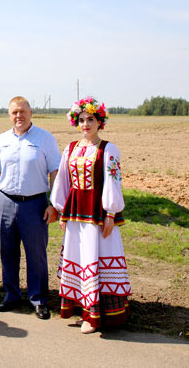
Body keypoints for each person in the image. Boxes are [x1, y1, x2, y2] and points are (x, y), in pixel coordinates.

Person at [50, 97, 131, 334]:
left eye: (91, 120)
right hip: (76, 212)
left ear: (100, 122)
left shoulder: (108, 149)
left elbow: (114, 182)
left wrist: (110, 213)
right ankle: (84, 310)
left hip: (97, 213)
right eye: (82, 120)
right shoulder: (71, 148)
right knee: (79, 257)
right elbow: (63, 180)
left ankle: (97, 316)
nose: (86, 124)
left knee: (97, 256)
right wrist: (62, 211)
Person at [0, 96, 60, 319]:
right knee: (7, 251)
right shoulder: (2, 139)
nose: (19, 116)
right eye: (14, 112)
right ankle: (11, 295)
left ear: (31, 113)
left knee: (36, 254)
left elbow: (55, 171)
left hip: (35, 203)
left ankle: (38, 299)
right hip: (6, 201)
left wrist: (54, 204)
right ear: (9, 115)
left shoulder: (45, 139)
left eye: (23, 112)